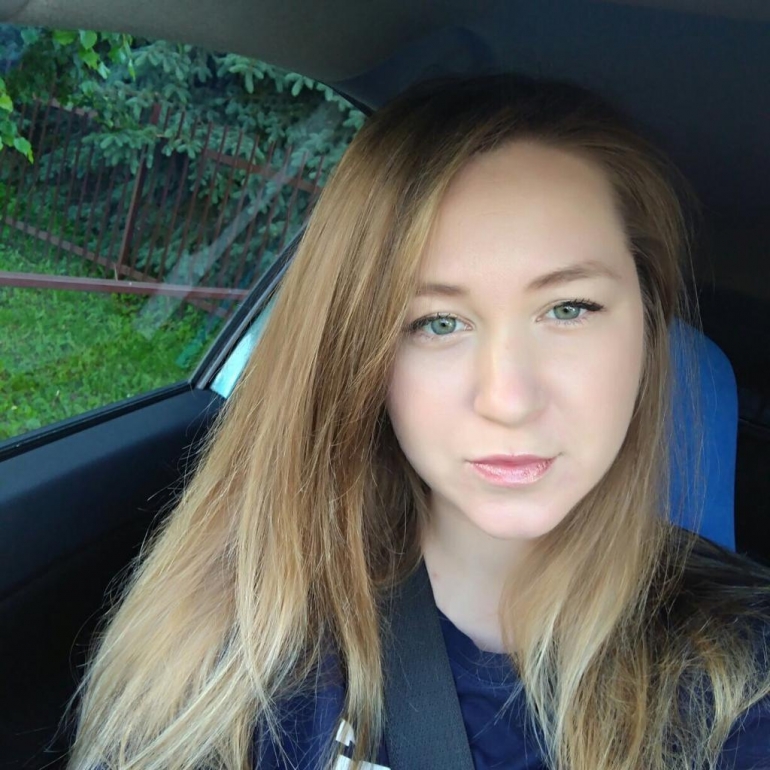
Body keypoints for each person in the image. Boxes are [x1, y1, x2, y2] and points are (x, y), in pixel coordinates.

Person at [65, 75, 770, 770]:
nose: (508, 399)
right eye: (436, 322)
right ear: (360, 353)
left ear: (649, 322)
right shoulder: (246, 627)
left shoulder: (740, 677)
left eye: (568, 309)